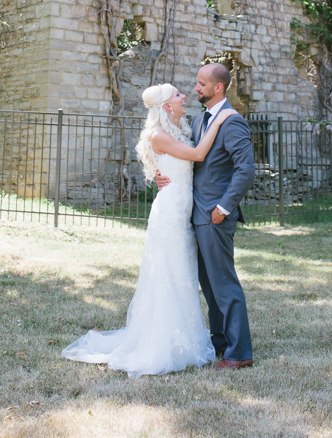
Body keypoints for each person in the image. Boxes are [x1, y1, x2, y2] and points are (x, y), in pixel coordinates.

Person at [61, 82, 237, 379]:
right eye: (179, 95)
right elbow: (196, 156)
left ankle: (187, 336)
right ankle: (163, 342)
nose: (185, 97)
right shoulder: (159, 135)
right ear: (167, 106)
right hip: (169, 214)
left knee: (183, 275)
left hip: (183, 210)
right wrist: (218, 121)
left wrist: (162, 172)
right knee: (169, 275)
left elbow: (183, 161)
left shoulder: (180, 130)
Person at [156, 63, 256, 370]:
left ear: (218, 88)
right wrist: (162, 175)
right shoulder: (200, 120)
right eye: (197, 83)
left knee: (223, 283)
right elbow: (189, 159)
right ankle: (221, 344)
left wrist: (223, 208)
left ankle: (240, 353)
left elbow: (246, 169)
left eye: (202, 84)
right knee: (209, 285)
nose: (196, 88)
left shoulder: (232, 122)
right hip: (194, 214)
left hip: (214, 215)